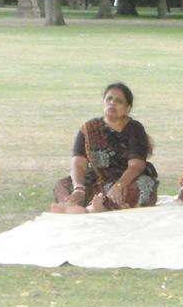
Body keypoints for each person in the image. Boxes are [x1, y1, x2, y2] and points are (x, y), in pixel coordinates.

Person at [51, 82, 159, 213]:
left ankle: (99, 206)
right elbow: (78, 164)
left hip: (127, 179)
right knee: (62, 184)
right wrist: (78, 188)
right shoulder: (89, 128)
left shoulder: (135, 129)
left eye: (119, 101)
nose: (112, 103)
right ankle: (73, 205)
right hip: (98, 179)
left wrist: (119, 185)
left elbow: (136, 166)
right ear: (103, 102)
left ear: (127, 108)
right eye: (109, 99)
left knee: (143, 187)